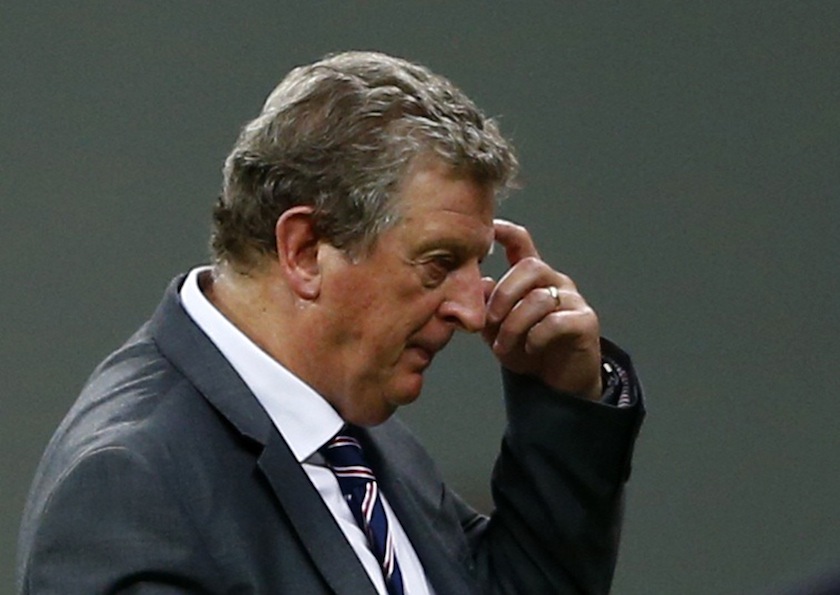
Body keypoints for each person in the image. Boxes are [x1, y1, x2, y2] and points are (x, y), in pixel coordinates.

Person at [17, 51, 644, 594]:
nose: (472, 309)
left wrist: (563, 403)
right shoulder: (131, 485)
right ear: (306, 251)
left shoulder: (346, 426)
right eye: (439, 263)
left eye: (474, 265)